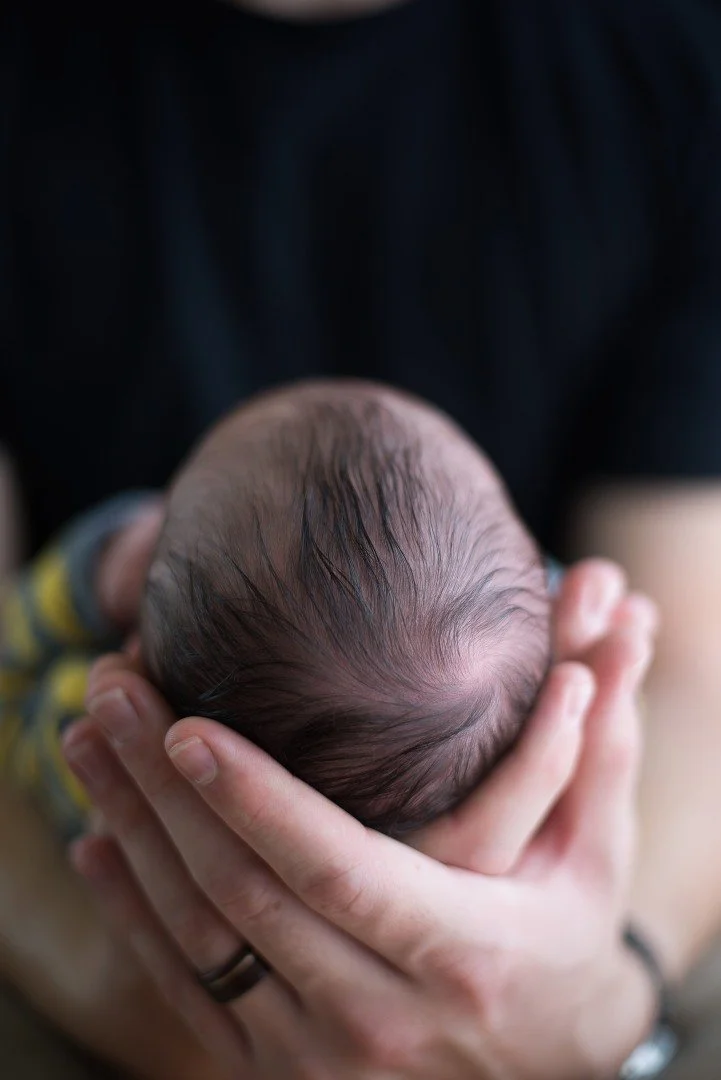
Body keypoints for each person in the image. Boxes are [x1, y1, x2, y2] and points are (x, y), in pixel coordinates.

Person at [2, 0, 721, 1076]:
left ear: (144, 656)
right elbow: (654, 651)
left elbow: (17, 660)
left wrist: (598, 998)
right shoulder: (529, 690)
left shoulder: (98, 735)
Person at [1, 379, 551, 841]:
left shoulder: (104, 749)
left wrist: (95, 569)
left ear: (143, 659)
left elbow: (10, 683)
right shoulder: (522, 635)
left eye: (163, 519)